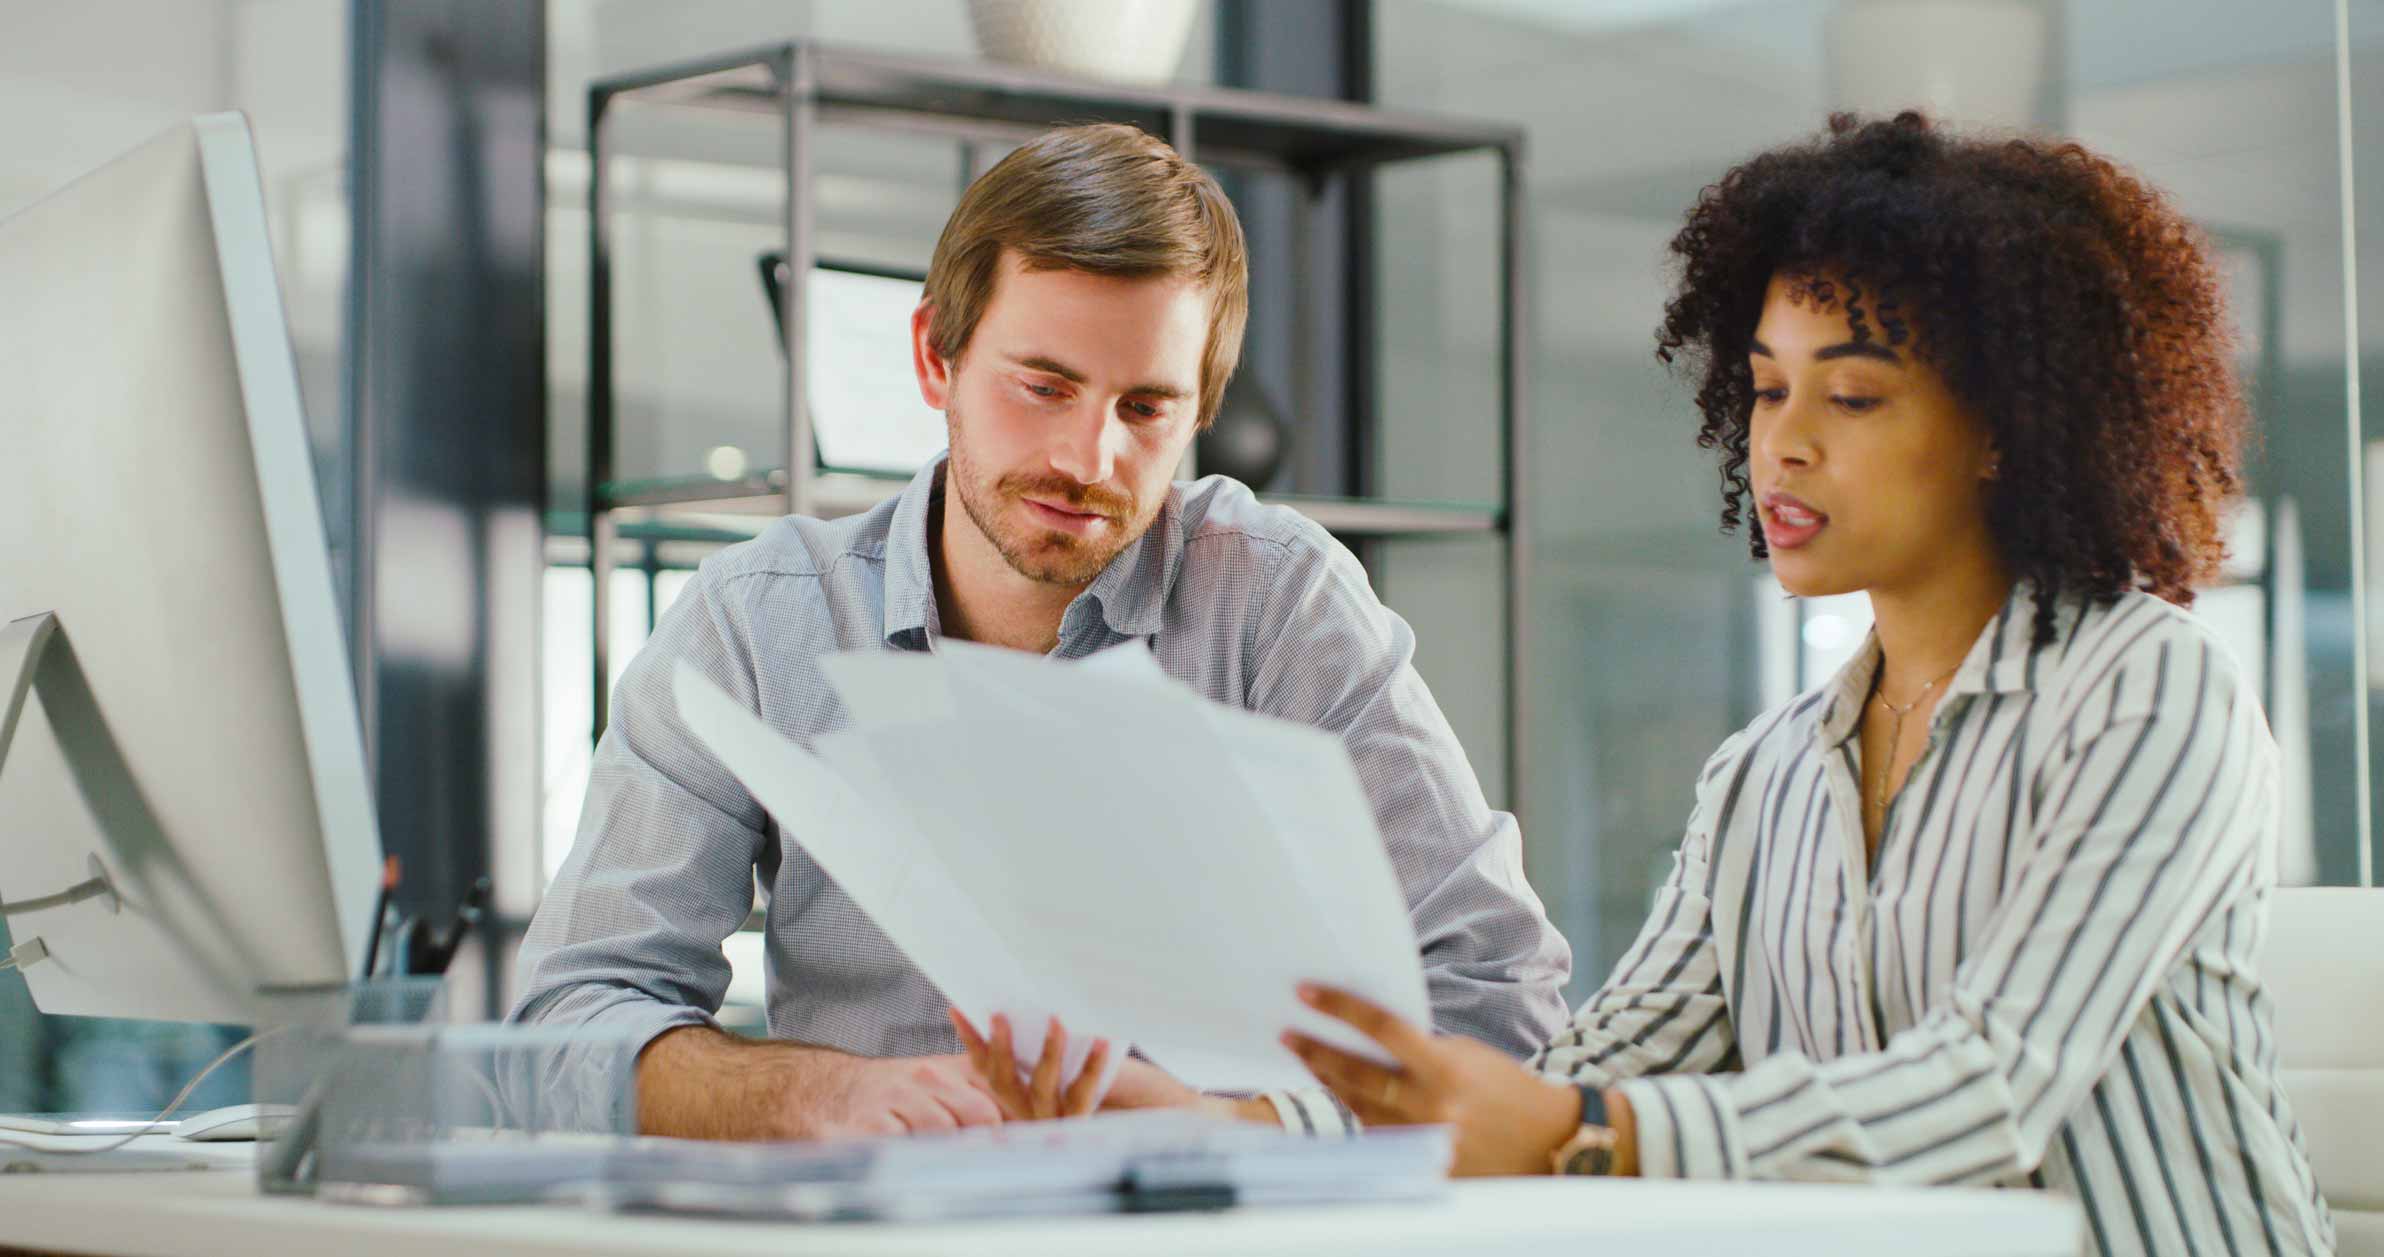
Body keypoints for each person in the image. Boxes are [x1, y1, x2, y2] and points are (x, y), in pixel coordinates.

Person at [1253, 113, 2332, 1256]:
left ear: (2001, 431)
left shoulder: (2150, 694)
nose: (1784, 445)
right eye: (1767, 390)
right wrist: (1254, 1129)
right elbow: (1586, 1072)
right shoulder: (1757, 777)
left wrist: (1576, 1128)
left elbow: (1987, 1090)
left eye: (1851, 398)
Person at [507, 123, 1572, 1140]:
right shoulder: (758, 619)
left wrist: (1232, 1130)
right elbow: (566, 1027)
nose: (1086, 459)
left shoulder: (1276, 604)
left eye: (1144, 408)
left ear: (1199, 409)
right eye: (1042, 386)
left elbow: (1504, 1009)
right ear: (935, 356)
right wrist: (810, 1099)